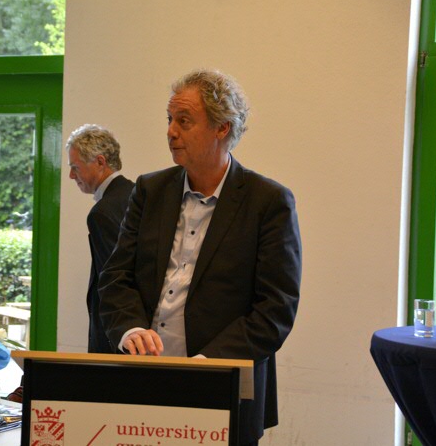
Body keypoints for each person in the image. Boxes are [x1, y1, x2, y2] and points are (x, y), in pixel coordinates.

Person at [98, 69, 302, 444]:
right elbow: (115, 277)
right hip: (145, 381)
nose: (171, 131)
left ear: (222, 128)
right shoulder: (150, 189)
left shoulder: (268, 202)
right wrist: (129, 329)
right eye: (170, 119)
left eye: (184, 121)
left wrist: (212, 364)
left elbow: (276, 308)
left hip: (222, 389)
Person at [66, 124, 135, 353]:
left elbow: (112, 281)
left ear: (100, 162)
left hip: (116, 333)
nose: (71, 175)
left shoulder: (102, 213)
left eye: (75, 167)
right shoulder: (136, 195)